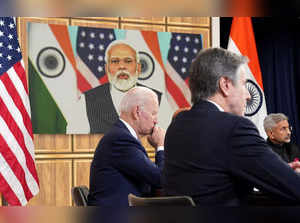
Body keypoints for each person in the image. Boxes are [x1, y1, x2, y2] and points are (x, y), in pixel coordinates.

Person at [163, 47, 300, 206]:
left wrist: (276, 170)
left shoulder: (177, 124)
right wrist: (286, 175)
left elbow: (211, 176)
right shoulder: (234, 128)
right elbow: (294, 188)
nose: (248, 96)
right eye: (243, 84)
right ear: (225, 85)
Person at [87, 86, 165, 207]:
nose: (156, 120)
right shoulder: (120, 139)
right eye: (153, 113)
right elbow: (160, 179)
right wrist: (160, 146)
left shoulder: (121, 135)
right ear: (137, 112)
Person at [82, 40, 162, 133]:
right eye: (115, 61)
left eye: (128, 61)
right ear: (106, 68)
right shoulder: (87, 99)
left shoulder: (158, 98)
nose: (121, 66)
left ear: (138, 68)